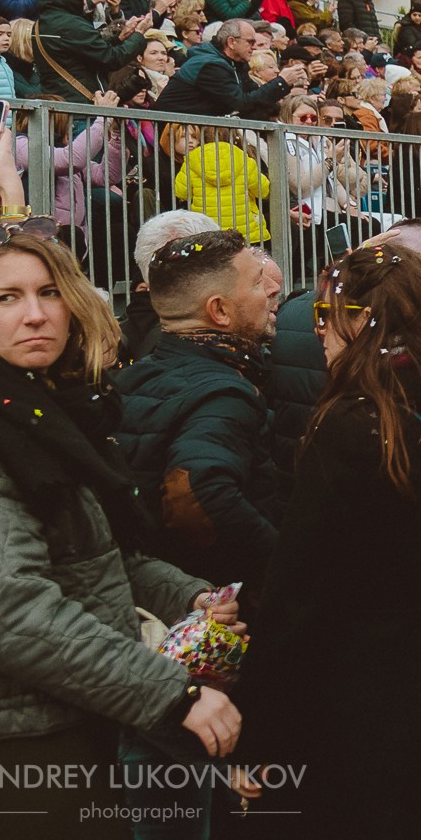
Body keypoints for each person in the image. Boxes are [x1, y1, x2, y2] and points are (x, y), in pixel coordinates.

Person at [0, 232, 234, 840]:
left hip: (70, 721)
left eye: (48, 293)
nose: (35, 314)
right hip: (13, 745)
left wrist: (192, 599)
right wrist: (170, 695)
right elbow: (11, 609)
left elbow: (98, 558)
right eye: (7, 297)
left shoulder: (44, 411)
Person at [231, 242, 421, 840]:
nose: (321, 336)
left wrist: (259, 736)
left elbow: (297, 594)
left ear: (362, 321)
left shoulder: (351, 425)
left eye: (326, 317)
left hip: (362, 708)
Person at [111, 229, 285, 585]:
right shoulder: (223, 394)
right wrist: (278, 564)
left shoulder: (134, 375)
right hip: (218, 602)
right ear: (219, 310)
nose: (272, 289)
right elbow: (197, 495)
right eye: (257, 282)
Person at [156, 21, 301, 119]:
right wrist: (281, 82)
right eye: (250, 42)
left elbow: (254, 96)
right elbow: (240, 104)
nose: (254, 47)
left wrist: (279, 94)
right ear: (231, 42)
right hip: (174, 133)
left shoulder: (236, 63)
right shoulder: (210, 65)